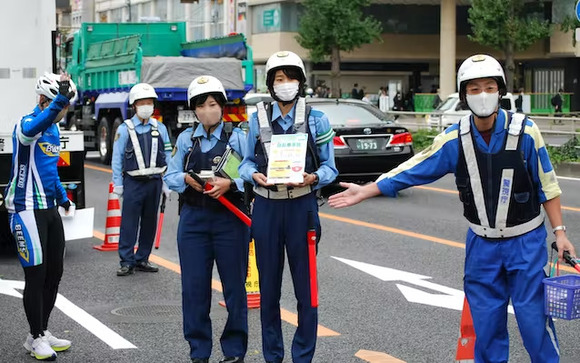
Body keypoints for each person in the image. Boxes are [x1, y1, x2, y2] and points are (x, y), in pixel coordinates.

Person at [329, 54, 577, 363]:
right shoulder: (455, 138)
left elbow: (548, 186)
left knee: (534, 323)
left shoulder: (525, 132)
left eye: (489, 87)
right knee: (486, 329)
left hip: (524, 242)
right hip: (482, 245)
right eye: (474, 89)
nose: (482, 94)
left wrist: (560, 232)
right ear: (464, 95)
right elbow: (414, 167)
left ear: (500, 91)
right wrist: (367, 190)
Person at [239, 50, 338, 363]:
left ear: (301, 82)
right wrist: (251, 175)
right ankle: (273, 356)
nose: (286, 84)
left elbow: (330, 168)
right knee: (268, 291)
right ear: (270, 85)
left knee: (306, 292)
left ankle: (303, 356)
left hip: (302, 208)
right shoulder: (256, 119)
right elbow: (243, 163)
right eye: (279, 79)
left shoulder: (316, 119)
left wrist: (313, 177)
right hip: (267, 209)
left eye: (291, 77)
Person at [164, 76, 250, 363]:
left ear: (222, 106)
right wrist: (186, 179)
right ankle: (198, 351)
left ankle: (234, 350)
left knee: (235, 287)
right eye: (200, 106)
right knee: (194, 288)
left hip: (231, 219)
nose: (206, 110)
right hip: (193, 220)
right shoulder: (186, 139)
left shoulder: (238, 136)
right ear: (194, 110)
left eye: (212, 104)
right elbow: (170, 175)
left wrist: (231, 183)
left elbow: (252, 173)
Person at [5, 72, 77, 360]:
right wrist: (59, 100)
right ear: (46, 101)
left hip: (48, 208)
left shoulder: (54, 130)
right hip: (25, 209)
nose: (63, 112)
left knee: (54, 273)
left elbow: (50, 170)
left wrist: (62, 197)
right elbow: (35, 125)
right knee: (35, 275)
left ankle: (42, 331)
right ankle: (34, 337)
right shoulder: (26, 124)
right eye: (61, 106)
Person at [111, 83, 172, 276]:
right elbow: (117, 158)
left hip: (154, 182)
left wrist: (167, 182)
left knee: (149, 222)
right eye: (142, 103)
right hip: (133, 183)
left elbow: (168, 155)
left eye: (149, 103)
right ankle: (126, 260)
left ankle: (142, 258)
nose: (147, 106)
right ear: (134, 105)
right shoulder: (124, 129)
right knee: (129, 222)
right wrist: (118, 184)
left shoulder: (160, 128)